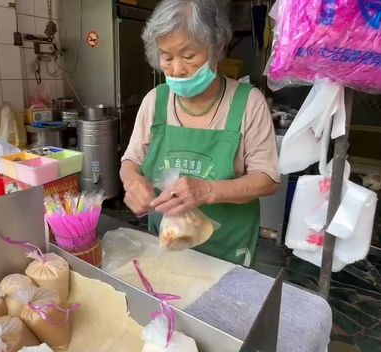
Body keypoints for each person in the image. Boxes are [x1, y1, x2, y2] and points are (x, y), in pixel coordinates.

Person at [120, 0, 280, 266]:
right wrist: (133, 183)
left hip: (227, 251)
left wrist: (207, 190)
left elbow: (267, 180)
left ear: (217, 47)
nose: (178, 69)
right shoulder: (154, 101)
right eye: (167, 57)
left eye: (189, 55)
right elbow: (131, 162)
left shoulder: (248, 102)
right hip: (167, 243)